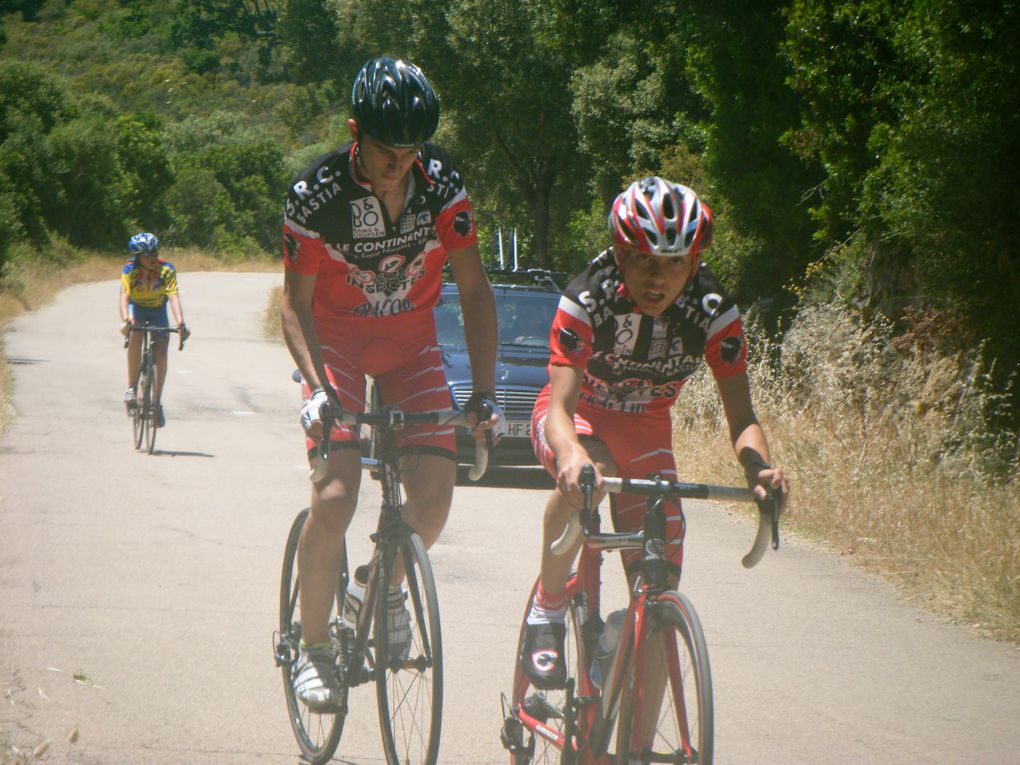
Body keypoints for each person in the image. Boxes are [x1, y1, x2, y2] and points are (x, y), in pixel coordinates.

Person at [280, 56, 503, 711]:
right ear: (355, 131)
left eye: (411, 150)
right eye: (384, 149)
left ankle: (377, 585)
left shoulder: (443, 187)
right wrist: (319, 389)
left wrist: (484, 391)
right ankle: (313, 648)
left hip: (411, 345)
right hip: (337, 345)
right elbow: (293, 304)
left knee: (433, 498)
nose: (398, 162)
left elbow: (474, 289)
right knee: (337, 494)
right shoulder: (314, 196)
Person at [519, 176, 789, 691]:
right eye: (643, 259)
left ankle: (625, 651)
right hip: (581, 417)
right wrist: (571, 454)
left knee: (658, 593)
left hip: (646, 429)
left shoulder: (714, 312)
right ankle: (547, 609)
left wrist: (758, 468)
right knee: (589, 476)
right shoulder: (587, 296)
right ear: (620, 255)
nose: (658, 278)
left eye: (674, 263)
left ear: (694, 262)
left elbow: (742, 417)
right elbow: (558, 405)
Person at [119, 232, 189, 427]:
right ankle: (132, 387)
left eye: (154, 252)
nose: (152, 257)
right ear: (137, 257)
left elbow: (174, 296)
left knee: (162, 351)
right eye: (147, 254)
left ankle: (156, 403)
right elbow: (124, 296)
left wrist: (181, 322)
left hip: (158, 309)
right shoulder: (130, 270)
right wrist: (126, 320)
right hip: (137, 309)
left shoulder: (166, 269)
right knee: (136, 335)